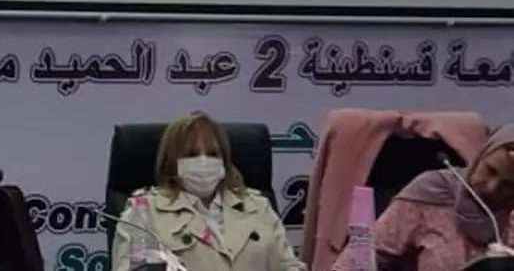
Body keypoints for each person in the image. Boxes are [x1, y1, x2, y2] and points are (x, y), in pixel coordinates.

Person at [112, 112, 304, 271]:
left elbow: (289, 266)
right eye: (191, 154)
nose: (203, 161)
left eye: (213, 154)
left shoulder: (258, 207)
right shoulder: (143, 211)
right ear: (171, 161)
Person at [331, 125, 514, 271]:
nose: (491, 187)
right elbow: (356, 261)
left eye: (508, 185)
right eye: (490, 171)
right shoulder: (432, 193)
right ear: (481, 156)